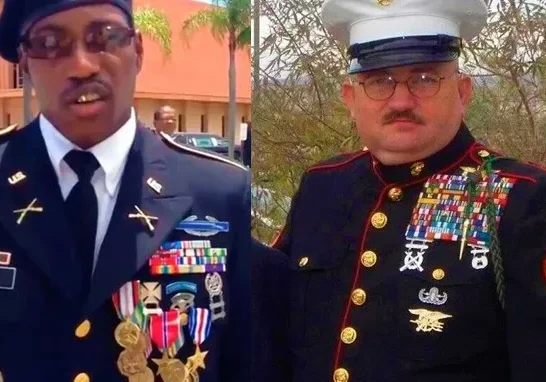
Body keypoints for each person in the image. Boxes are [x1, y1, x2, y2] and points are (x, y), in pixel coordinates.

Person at [269, 0, 546, 381]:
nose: (401, 100)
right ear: (351, 98)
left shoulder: (524, 199)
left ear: (464, 92)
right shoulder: (323, 186)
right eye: (379, 81)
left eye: (425, 78)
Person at [0, 0, 251, 381]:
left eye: (104, 37)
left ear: (137, 50)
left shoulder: (223, 195)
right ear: (26, 63)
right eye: (51, 44)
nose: (82, 66)